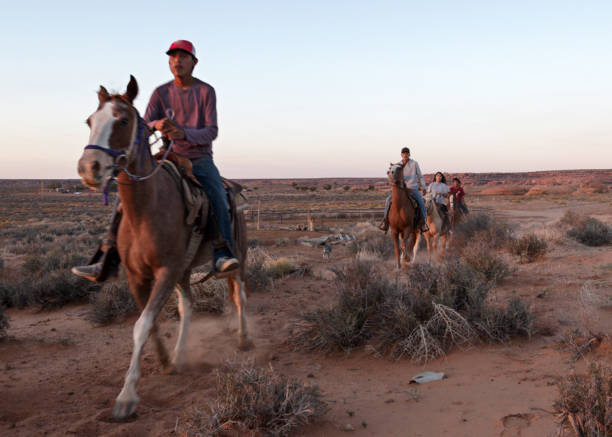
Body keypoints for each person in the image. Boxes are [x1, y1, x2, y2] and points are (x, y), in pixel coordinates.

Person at [72, 40, 238, 281]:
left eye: (183, 56)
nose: (177, 61)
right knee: (127, 196)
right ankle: (106, 259)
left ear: (194, 62)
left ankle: (222, 253)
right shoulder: (161, 92)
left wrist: (184, 133)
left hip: (199, 158)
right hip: (166, 156)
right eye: (172, 57)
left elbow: (211, 131)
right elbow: (144, 124)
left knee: (217, 195)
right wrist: (156, 124)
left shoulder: (205, 91)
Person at [379, 147, 428, 233]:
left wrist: (423, 187)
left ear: (409, 154)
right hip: (401, 189)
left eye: (407, 153)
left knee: (421, 202)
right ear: (401, 155)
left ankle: (423, 223)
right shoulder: (396, 165)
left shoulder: (414, 163)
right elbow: (393, 177)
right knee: (388, 200)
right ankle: (385, 222)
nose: (405, 155)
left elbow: (420, 176)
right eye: (403, 153)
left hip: (412, 188)